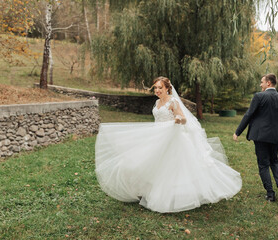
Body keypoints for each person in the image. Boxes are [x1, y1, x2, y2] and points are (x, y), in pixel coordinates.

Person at [95, 76, 242, 213]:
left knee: (172, 165)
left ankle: (175, 195)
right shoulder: (157, 102)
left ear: (167, 88)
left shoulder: (173, 102)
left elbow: (184, 119)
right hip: (157, 135)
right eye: (155, 88)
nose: (157, 90)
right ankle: (147, 190)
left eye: (160, 88)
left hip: (172, 136)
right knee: (151, 161)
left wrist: (178, 120)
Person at [233, 73, 278, 202]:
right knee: (274, 160)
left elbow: (248, 115)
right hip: (275, 135)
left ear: (268, 83)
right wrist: (275, 123)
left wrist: (238, 132)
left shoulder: (259, 96)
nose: (260, 84)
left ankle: (270, 194)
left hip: (260, 136)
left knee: (263, 164)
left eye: (262, 82)